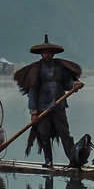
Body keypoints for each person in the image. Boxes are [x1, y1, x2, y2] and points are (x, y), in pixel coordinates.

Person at [13, 40, 84, 168]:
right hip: (42, 107)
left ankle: (73, 160)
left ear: (53, 54)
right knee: (43, 134)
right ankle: (48, 161)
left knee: (65, 133)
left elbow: (67, 84)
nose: (47, 55)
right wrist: (33, 111)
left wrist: (75, 85)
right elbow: (32, 91)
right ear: (41, 54)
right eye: (45, 53)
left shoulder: (60, 68)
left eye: (49, 53)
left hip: (59, 105)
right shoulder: (36, 69)